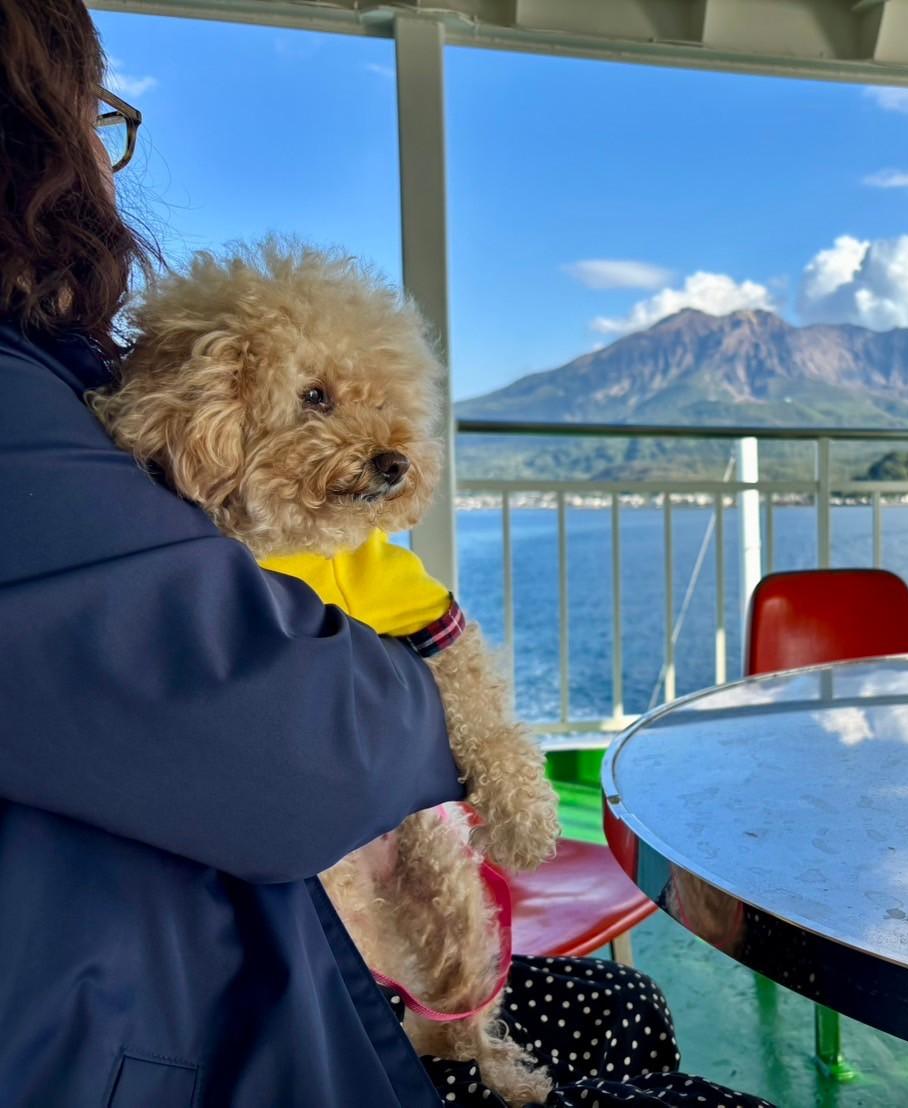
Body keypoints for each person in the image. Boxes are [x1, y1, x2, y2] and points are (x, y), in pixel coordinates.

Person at [0, 3, 772, 1105]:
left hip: (232, 978)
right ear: (36, 143)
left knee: (625, 1009)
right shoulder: (28, 424)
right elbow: (312, 749)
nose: (108, 169)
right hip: (225, 1029)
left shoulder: (58, 399)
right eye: (95, 123)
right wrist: (429, 707)